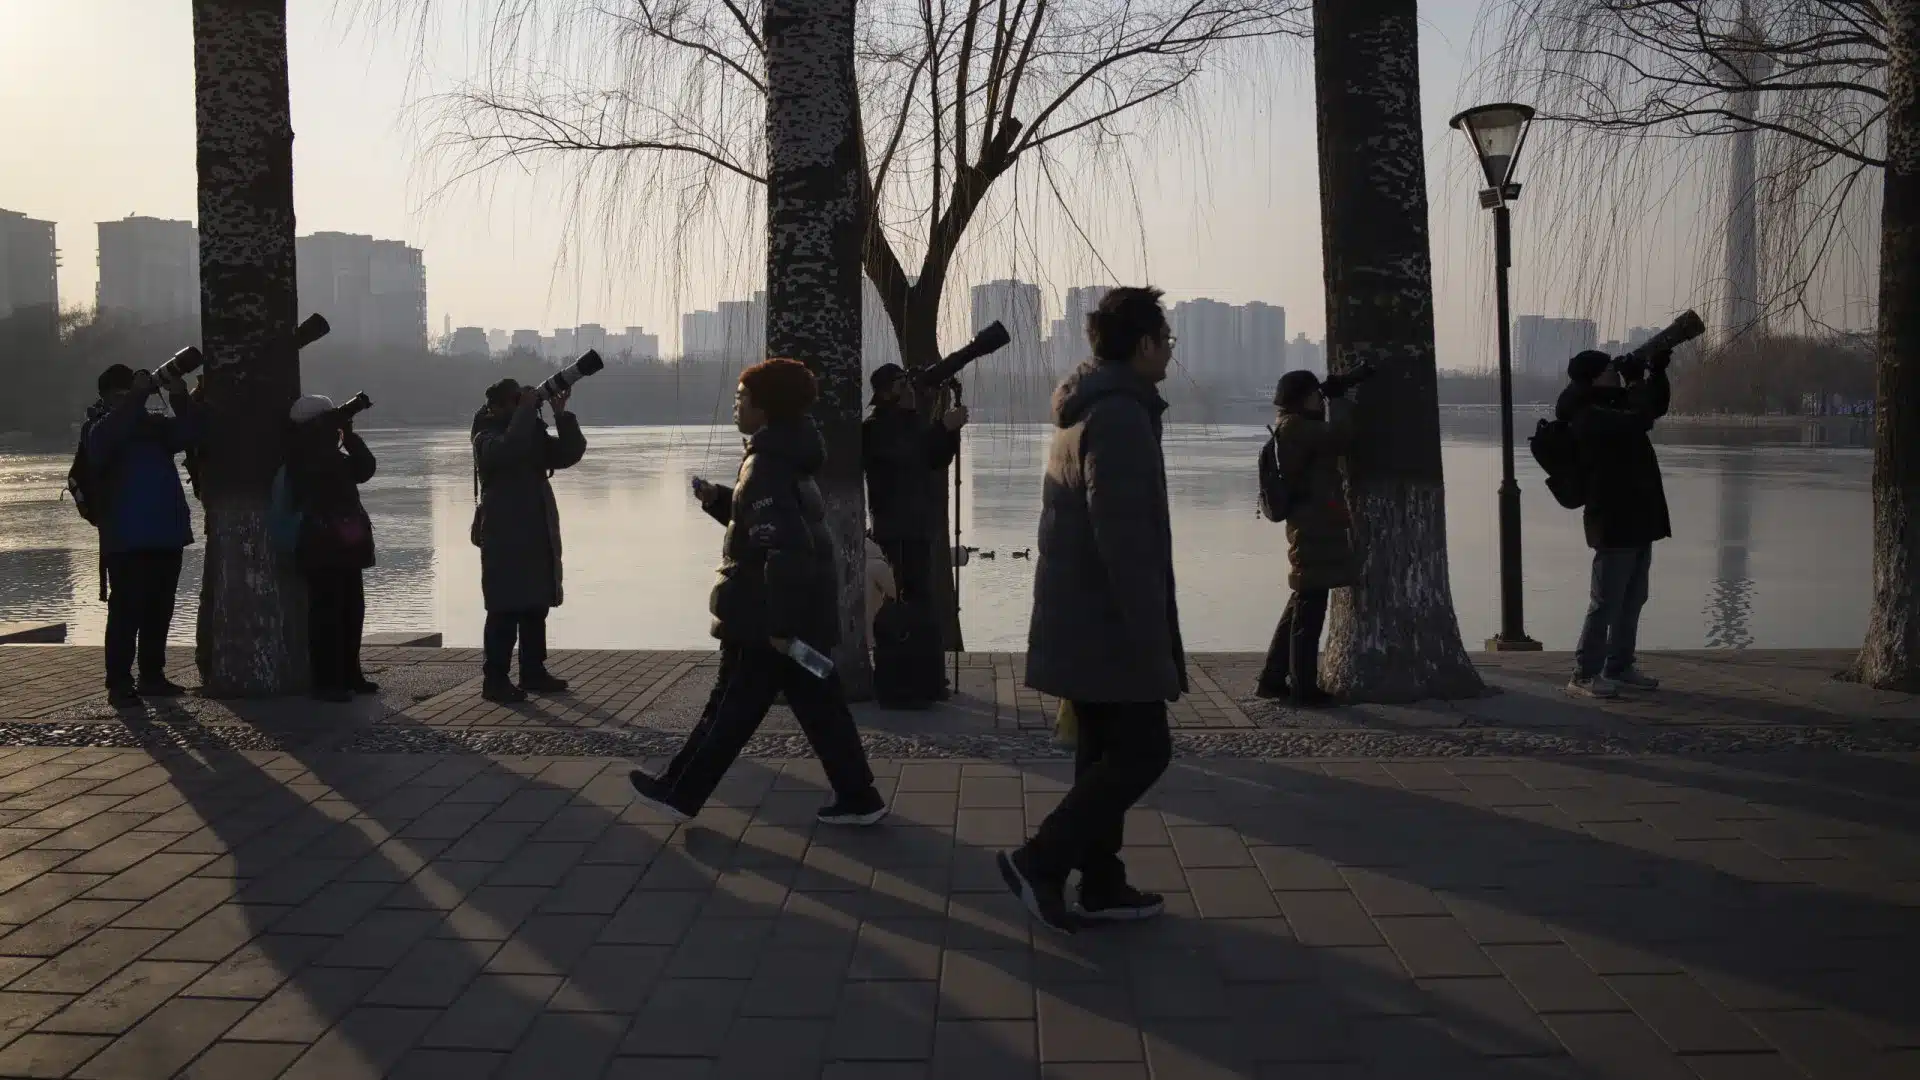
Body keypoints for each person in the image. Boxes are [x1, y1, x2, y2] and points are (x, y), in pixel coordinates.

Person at [628, 358, 887, 827]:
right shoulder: (789, 456)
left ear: (765, 409)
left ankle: (679, 792)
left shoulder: (767, 464)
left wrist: (780, 630)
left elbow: (785, 548)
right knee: (820, 708)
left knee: (729, 711)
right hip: (794, 617)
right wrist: (722, 501)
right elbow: (774, 527)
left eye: (742, 398)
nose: (736, 406)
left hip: (766, 620)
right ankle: (859, 797)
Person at [1000, 286, 1186, 932]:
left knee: (1103, 749)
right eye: (1167, 341)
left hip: (1078, 617)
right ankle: (1042, 860)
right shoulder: (1121, 418)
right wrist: (1151, 643)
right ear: (1143, 346)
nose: (1170, 352)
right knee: (1144, 751)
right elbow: (1126, 543)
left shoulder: (1085, 409)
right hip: (1108, 624)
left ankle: (1103, 882)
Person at [82, 364, 202, 707]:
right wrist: (136, 397)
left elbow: (192, 433)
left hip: (166, 533)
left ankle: (153, 676)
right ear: (106, 396)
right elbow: (112, 433)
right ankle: (119, 682)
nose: (130, 399)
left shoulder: (152, 426)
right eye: (121, 393)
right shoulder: (97, 428)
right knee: (125, 613)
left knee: (159, 610)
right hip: (126, 537)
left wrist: (178, 394)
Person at [1558, 348, 1673, 699]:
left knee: (1634, 597)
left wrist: (1656, 372)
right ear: (1593, 376)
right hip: (1613, 518)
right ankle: (1584, 673)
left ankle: (1619, 666)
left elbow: (1655, 406)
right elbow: (1639, 419)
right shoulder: (1587, 414)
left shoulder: (1612, 401)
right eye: (1609, 368)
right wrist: (1637, 380)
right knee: (1606, 600)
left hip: (1639, 515)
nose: (1615, 371)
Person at [471, 378, 587, 703]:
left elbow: (568, 454)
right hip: (504, 536)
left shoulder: (528, 433)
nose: (521, 406)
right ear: (495, 407)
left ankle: (533, 671)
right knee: (504, 608)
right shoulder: (486, 437)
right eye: (514, 402)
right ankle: (494, 680)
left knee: (536, 606)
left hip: (536, 532)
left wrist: (562, 416)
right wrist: (525, 410)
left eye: (520, 401)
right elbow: (510, 450)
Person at [1255, 370, 1356, 707]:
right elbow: (1344, 439)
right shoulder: (1300, 428)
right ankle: (1303, 687)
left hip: (1310, 524)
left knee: (1302, 602)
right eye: (1315, 394)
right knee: (1310, 609)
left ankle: (1272, 678)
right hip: (1315, 527)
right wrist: (1340, 399)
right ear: (1303, 398)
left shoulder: (1290, 425)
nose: (1320, 399)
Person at [285, 396, 378, 703]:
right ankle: (327, 681)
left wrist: (348, 435)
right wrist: (330, 433)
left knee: (352, 610)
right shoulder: (302, 451)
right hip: (320, 541)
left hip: (345, 540)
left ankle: (351, 673)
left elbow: (364, 469)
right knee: (326, 614)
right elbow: (318, 473)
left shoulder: (327, 450)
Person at [861, 364, 966, 608]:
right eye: (902, 385)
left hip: (919, 528)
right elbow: (903, 454)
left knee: (921, 597)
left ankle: (919, 642)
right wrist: (942, 428)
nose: (910, 391)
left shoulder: (914, 423)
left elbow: (935, 458)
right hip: (892, 530)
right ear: (886, 394)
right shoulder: (873, 429)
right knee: (894, 596)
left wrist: (950, 433)